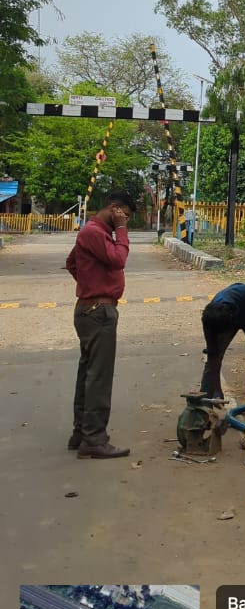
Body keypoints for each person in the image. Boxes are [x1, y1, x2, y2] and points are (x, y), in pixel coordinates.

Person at [65, 191, 135, 459]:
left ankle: (81, 433)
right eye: (124, 215)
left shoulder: (92, 232)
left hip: (91, 310)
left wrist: (90, 281)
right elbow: (119, 260)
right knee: (99, 379)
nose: (124, 220)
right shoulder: (95, 232)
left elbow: (72, 263)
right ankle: (93, 440)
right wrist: (122, 230)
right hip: (98, 313)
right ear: (114, 209)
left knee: (88, 373)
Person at [200, 282, 245, 404]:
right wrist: (218, 389)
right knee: (215, 356)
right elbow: (213, 356)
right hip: (228, 318)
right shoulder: (210, 322)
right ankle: (205, 404)